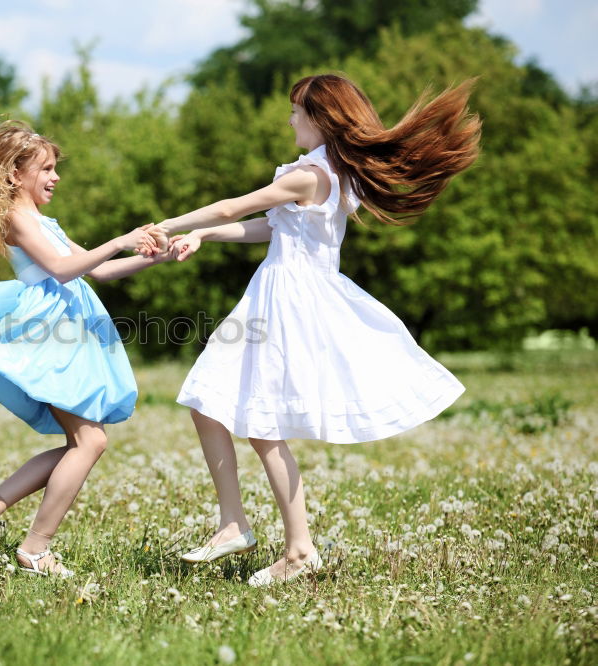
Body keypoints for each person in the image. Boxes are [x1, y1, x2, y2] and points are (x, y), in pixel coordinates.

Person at [154, 74, 480, 586]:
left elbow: (233, 205)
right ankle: (247, 529)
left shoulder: (310, 173)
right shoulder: (331, 172)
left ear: (319, 117)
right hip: (281, 293)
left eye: (295, 111)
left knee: (248, 417)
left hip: (289, 300)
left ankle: (283, 542)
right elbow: (271, 227)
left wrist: (167, 224)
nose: (289, 120)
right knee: (213, 401)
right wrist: (203, 235)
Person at [0, 121, 168, 577]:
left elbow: (97, 273)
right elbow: (63, 270)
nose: (55, 176)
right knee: (91, 440)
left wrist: (153, 256)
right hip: (47, 335)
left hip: (68, 331)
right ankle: (34, 549)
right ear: (15, 173)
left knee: (81, 442)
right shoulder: (17, 219)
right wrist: (119, 240)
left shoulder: (43, 221)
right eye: (45, 168)